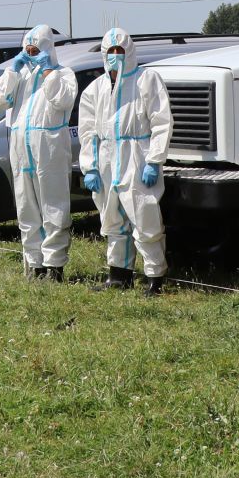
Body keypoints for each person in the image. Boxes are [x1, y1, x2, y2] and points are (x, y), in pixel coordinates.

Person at [79, 28, 172, 294]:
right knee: (112, 218)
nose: (116, 56)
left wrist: (154, 160)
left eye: (120, 51)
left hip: (137, 156)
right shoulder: (94, 89)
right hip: (108, 158)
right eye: (111, 51)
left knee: (145, 216)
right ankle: (119, 276)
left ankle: (155, 278)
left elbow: (162, 121)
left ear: (130, 52)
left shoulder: (146, 80)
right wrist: (91, 167)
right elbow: (87, 132)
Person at [0, 24, 80, 281]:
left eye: (35, 49)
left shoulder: (64, 74)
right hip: (20, 148)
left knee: (53, 205)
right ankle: (34, 264)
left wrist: (49, 71)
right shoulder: (20, 76)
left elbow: (62, 100)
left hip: (49, 147)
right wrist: (13, 70)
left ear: (47, 49)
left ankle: (54, 266)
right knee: (26, 206)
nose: (31, 53)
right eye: (27, 49)